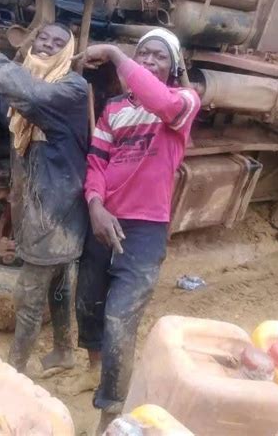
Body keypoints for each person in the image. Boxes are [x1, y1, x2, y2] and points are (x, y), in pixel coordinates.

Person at [75, 28, 200, 433]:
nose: (148, 60)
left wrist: (114, 52)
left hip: (145, 229)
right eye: (142, 53)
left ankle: (110, 410)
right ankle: (96, 369)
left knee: (119, 319)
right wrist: (95, 206)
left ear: (174, 66)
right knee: (89, 305)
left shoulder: (183, 102)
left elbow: (158, 99)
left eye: (159, 56)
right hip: (103, 220)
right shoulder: (113, 109)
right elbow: (96, 163)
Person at [0, 23, 89, 375]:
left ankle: (15, 369)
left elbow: (34, 96)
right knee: (59, 283)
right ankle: (64, 353)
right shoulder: (30, 87)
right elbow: (2, 102)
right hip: (44, 205)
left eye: (58, 43)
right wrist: (15, 63)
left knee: (29, 295)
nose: (47, 46)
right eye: (42, 38)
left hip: (55, 210)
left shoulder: (72, 88)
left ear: (67, 53)